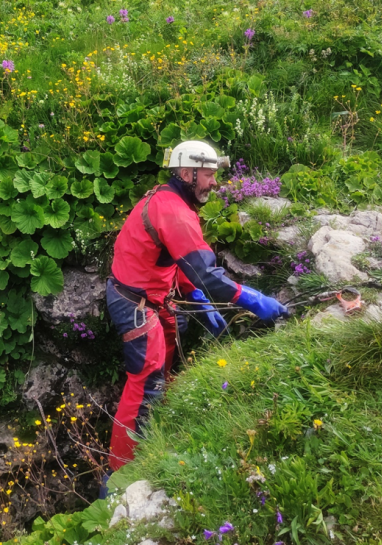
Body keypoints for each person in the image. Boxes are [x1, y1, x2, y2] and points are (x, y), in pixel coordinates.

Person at [105, 140, 288, 472]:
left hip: (148, 296)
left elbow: (178, 261)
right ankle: (120, 474)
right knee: (145, 382)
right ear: (187, 173)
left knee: (164, 371)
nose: (215, 183)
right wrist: (252, 299)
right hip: (136, 304)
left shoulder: (168, 199)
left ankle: (160, 424)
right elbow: (204, 272)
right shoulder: (173, 211)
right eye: (208, 175)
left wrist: (197, 298)